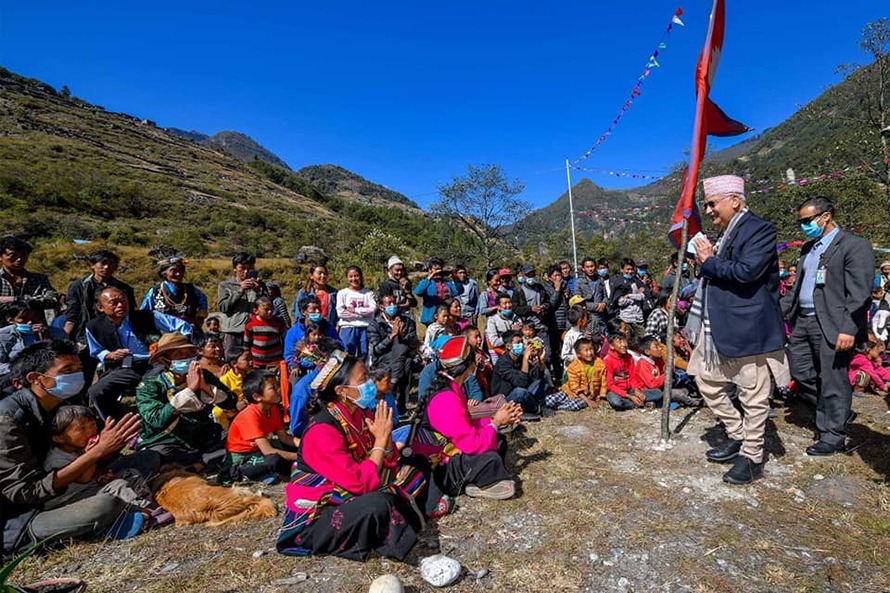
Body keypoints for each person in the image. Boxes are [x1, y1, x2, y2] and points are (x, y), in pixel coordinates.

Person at [276, 351, 441, 560]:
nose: (370, 383)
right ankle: (409, 538)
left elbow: (388, 460)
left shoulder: (360, 412)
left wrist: (386, 440)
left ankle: (416, 512)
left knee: (417, 461)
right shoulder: (321, 431)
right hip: (320, 510)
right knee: (378, 505)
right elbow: (360, 484)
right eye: (363, 378)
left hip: (356, 485)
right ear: (342, 391)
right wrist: (381, 442)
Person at [0, 340, 157, 554]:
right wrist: (96, 452)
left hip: (72, 485)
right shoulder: (8, 420)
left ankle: (111, 517)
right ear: (36, 378)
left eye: (78, 369)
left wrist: (108, 448)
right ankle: (85, 529)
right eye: (67, 370)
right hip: (22, 514)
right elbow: (23, 491)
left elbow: (85, 457)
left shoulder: (61, 404)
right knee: (105, 505)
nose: (76, 375)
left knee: (148, 457)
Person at [687, 175, 788, 484]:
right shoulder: (728, 233)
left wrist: (709, 261)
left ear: (734, 200)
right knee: (705, 381)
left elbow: (746, 272)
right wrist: (706, 260)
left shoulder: (759, 229)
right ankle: (737, 433)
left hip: (748, 327)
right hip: (718, 326)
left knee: (753, 395)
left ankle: (753, 456)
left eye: (712, 203)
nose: (709, 210)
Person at [783, 196, 875, 456]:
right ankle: (838, 410)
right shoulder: (808, 249)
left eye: (807, 220)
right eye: (800, 221)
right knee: (800, 372)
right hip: (802, 321)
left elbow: (860, 293)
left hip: (833, 324)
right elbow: (797, 287)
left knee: (834, 379)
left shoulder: (854, 246)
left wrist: (849, 327)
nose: (803, 226)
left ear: (825, 216)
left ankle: (833, 434)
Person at [416, 336, 522, 499]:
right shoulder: (446, 399)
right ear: (468, 366)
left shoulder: (452, 387)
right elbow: (470, 445)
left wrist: (502, 419)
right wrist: (495, 422)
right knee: (490, 458)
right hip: (443, 464)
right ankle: (475, 484)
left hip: (454, 448)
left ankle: (485, 480)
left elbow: (466, 424)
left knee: (499, 440)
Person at [42, 406, 159, 531]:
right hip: (68, 500)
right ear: (58, 438)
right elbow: (84, 478)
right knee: (117, 486)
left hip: (89, 487)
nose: (91, 431)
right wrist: (94, 452)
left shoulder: (79, 447)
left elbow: (93, 473)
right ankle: (148, 512)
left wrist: (101, 474)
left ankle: (144, 504)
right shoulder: (57, 459)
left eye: (92, 425)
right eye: (82, 428)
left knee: (131, 473)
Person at [85, 286, 192, 420]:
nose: (120, 305)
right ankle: (119, 423)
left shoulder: (147, 316)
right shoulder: (94, 326)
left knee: (148, 386)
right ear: (101, 307)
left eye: (124, 301)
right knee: (96, 391)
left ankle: (160, 419)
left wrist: (175, 346)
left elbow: (183, 327)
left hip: (155, 363)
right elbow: (96, 351)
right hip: (125, 367)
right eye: (114, 303)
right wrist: (110, 355)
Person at [134, 333, 237, 467]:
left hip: (203, 438)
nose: (186, 358)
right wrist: (190, 390)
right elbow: (157, 419)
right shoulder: (150, 386)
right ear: (164, 360)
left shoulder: (204, 375)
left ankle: (199, 463)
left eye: (190, 353)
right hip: (169, 442)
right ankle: (202, 462)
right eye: (179, 354)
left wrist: (206, 388)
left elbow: (231, 403)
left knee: (236, 433)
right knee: (154, 456)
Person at [64, 250, 136, 394]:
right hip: (85, 336)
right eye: (103, 263)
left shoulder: (124, 289)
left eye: (111, 264)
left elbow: (130, 313)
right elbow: (73, 313)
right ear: (92, 265)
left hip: (113, 335)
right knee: (83, 373)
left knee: (110, 375)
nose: (107, 267)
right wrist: (66, 337)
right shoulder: (78, 286)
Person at [223, 371, 298, 483]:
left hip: (259, 449)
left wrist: (305, 444)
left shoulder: (273, 408)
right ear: (257, 396)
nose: (279, 390)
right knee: (274, 459)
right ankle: (240, 474)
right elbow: (268, 451)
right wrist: (301, 456)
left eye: (278, 385)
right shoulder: (250, 415)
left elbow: (284, 437)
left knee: (295, 447)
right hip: (243, 457)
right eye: (273, 387)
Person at [367, 294, 419, 413]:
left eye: (394, 302)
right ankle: (398, 401)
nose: (393, 306)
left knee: (404, 356)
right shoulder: (375, 324)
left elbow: (413, 342)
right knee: (403, 360)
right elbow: (377, 349)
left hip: (403, 357)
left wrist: (403, 335)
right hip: (383, 359)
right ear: (381, 307)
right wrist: (391, 336)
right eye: (389, 303)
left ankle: (395, 388)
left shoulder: (407, 321)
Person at [217, 252, 268, 359]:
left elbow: (269, 307)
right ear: (235, 268)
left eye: (250, 268)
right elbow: (223, 307)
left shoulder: (260, 285)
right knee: (232, 362)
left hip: (255, 331)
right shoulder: (225, 285)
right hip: (234, 332)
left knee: (254, 363)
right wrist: (240, 291)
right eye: (242, 268)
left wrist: (259, 292)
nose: (246, 272)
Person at [0, 300, 67, 376]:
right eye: (24, 318)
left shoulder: (57, 333)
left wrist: (46, 340)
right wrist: (24, 367)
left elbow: (66, 358)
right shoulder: (2, 336)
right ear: (11, 319)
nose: (30, 322)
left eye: (35, 318)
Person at [491, 331, 548, 419]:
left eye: (521, 342)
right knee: (520, 392)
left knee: (543, 382)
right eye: (518, 343)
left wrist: (540, 360)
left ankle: (528, 407)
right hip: (506, 398)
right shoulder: (503, 362)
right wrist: (525, 358)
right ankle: (536, 408)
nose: (521, 345)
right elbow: (520, 383)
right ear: (508, 346)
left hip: (522, 392)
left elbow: (536, 376)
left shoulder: (520, 358)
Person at [141, 255, 208, 330]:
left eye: (181, 271)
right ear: (164, 273)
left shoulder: (192, 290)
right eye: (174, 271)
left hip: (188, 331)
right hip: (162, 334)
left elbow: (203, 302)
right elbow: (144, 314)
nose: (178, 274)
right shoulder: (155, 292)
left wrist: (197, 320)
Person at [284, 295, 342, 373]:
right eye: (314, 309)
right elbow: (289, 353)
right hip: (301, 367)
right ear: (303, 312)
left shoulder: (328, 327)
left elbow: (339, 345)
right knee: (296, 380)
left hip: (327, 366)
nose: (317, 311)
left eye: (319, 309)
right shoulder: (294, 332)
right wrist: (295, 366)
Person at [633, 335, 696, 407]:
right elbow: (652, 385)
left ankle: (655, 403)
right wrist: (666, 373)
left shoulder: (654, 361)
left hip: (658, 390)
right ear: (647, 352)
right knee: (677, 394)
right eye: (656, 347)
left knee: (684, 390)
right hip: (649, 392)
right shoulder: (642, 364)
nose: (660, 349)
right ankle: (694, 403)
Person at [0, 236, 59, 311]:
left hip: (32, 322)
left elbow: (52, 299)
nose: (19, 259)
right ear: (1, 257)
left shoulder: (39, 279)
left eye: (23, 255)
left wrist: (18, 300)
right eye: (13, 255)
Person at [546, 337, 605, 411]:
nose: (590, 353)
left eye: (591, 349)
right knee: (549, 400)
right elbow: (574, 387)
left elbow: (603, 382)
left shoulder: (600, 364)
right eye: (586, 351)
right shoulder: (573, 366)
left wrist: (602, 397)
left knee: (575, 405)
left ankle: (558, 408)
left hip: (585, 396)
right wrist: (588, 401)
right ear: (578, 354)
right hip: (569, 391)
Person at [604, 331, 656, 410]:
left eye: (625, 341)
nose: (624, 345)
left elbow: (632, 377)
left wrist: (636, 390)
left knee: (657, 393)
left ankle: (637, 400)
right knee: (616, 402)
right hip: (616, 390)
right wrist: (629, 396)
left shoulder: (629, 357)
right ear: (611, 346)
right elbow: (610, 385)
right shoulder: (608, 360)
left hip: (629, 389)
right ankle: (637, 402)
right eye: (620, 342)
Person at [336, 266, 376, 359]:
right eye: (351, 276)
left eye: (356, 276)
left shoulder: (368, 293)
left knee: (364, 354)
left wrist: (355, 310)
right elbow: (341, 312)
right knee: (347, 354)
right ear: (347, 278)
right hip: (348, 327)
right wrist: (363, 314)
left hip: (365, 328)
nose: (353, 279)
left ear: (361, 276)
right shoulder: (342, 293)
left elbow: (372, 310)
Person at [243, 296, 287, 368]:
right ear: (256, 311)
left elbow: (285, 339)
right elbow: (247, 344)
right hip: (257, 362)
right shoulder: (250, 324)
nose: (270, 312)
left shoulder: (278, 322)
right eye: (266, 309)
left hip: (275, 362)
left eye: (271, 309)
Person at [609, 258, 647, 341]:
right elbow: (620, 301)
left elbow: (643, 296)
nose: (630, 272)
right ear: (622, 269)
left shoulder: (636, 282)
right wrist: (636, 296)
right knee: (626, 341)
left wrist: (629, 296)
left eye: (631, 269)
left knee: (643, 340)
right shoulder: (618, 283)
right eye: (627, 269)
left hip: (638, 318)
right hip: (626, 319)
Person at [413, 258, 456, 326]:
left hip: (446, 316)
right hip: (431, 317)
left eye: (440, 269)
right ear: (430, 270)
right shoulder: (427, 282)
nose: (438, 271)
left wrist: (455, 278)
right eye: (436, 269)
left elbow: (458, 291)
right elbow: (418, 292)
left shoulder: (447, 283)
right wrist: (430, 276)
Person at [294, 264, 338, 328]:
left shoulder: (333, 293)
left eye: (325, 273)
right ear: (311, 276)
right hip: (310, 329)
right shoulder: (304, 292)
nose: (323, 276)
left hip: (328, 328)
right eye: (319, 273)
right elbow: (298, 313)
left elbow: (337, 315)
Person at [574, 257, 607, 336]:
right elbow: (578, 302)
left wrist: (604, 303)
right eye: (587, 267)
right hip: (588, 317)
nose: (590, 269)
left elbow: (605, 296)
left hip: (602, 316)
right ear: (583, 268)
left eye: (592, 266)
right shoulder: (579, 282)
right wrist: (596, 306)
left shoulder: (600, 280)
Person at [485, 294, 520, 359]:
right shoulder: (492, 320)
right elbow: (494, 342)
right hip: (500, 354)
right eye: (505, 303)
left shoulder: (516, 318)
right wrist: (511, 333)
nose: (508, 305)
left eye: (509, 303)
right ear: (498, 306)